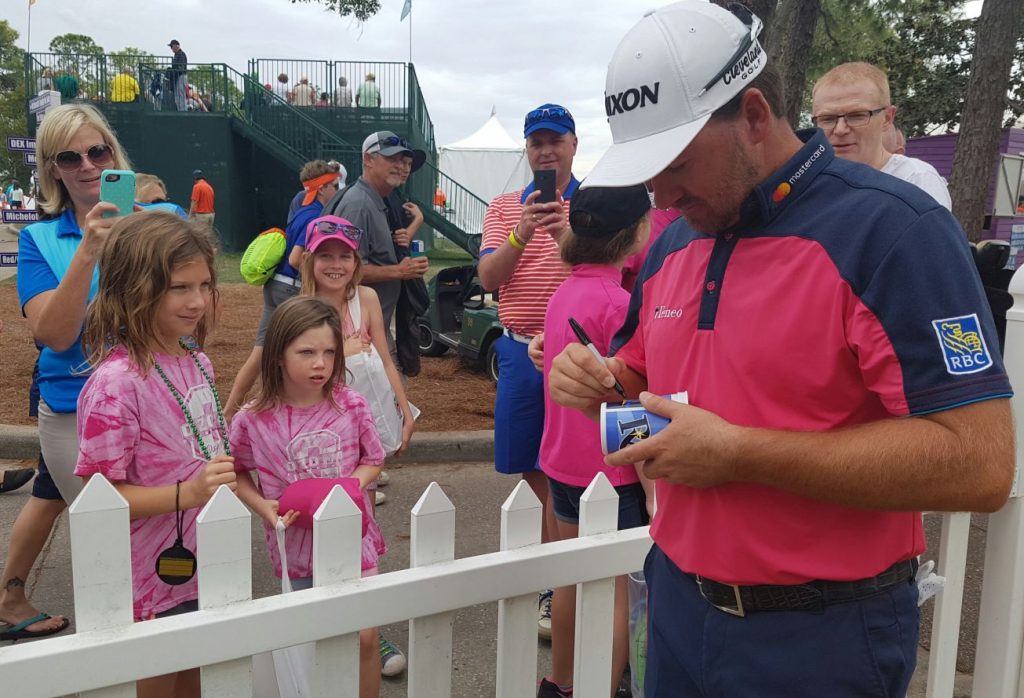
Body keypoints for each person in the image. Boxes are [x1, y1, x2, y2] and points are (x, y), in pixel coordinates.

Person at [549, 3, 1014, 695]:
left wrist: (740, 452)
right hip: (677, 603)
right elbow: (642, 389)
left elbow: (979, 464)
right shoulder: (676, 240)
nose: (660, 192)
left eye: (675, 162)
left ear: (757, 117)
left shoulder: (894, 232)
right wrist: (597, 382)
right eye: (647, 169)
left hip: (820, 636)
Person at [75, 211, 234, 697]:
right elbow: (99, 499)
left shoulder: (196, 361)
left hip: (204, 558)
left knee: (196, 673)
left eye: (204, 285)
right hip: (148, 574)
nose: (197, 301)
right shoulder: (115, 387)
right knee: (156, 677)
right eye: (179, 288)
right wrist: (190, 492)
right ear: (134, 288)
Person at [3, 103, 134, 643]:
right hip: (75, 400)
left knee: (55, 493)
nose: (85, 165)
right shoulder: (38, 240)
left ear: (112, 154)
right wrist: (90, 248)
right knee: (115, 525)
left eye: (97, 151)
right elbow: (53, 334)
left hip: (152, 397)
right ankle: (118, 641)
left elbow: (193, 311)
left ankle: (9, 597)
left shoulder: (159, 219)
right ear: (52, 169)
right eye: (69, 156)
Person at [230, 296, 386, 696]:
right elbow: (238, 471)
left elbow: (374, 457)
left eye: (330, 352)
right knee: (311, 638)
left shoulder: (350, 404)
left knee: (364, 637)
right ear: (279, 355)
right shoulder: (253, 419)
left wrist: (351, 486)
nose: (321, 363)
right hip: (295, 548)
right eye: (307, 352)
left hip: (352, 538)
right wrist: (261, 505)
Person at [538, 183, 653, 698]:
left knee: (569, 576)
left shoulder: (564, 291)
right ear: (637, 234)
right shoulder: (621, 302)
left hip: (563, 462)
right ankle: (601, 688)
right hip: (612, 472)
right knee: (612, 590)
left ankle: (561, 681)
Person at [296, 215, 413, 676]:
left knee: (357, 518)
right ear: (309, 258)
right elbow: (270, 360)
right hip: (312, 435)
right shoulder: (299, 306)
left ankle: (368, 628)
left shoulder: (365, 300)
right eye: (326, 254)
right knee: (314, 525)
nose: (336, 263)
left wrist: (404, 409)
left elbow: (385, 353)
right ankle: (317, 622)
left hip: (359, 436)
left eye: (345, 255)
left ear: (357, 261)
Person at [478, 103, 577, 637]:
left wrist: (565, 229)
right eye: (536, 142)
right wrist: (520, 230)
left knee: (571, 469)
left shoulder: (594, 201)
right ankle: (558, 567)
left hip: (575, 353)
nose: (545, 151)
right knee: (532, 468)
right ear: (527, 149)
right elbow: (490, 279)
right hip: (518, 351)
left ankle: (554, 581)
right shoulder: (502, 206)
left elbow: (603, 271)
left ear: (573, 145)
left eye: (555, 140)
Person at [225, 159, 341, 422]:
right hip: (292, 289)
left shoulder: (301, 204)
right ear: (321, 188)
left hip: (276, 286)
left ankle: (230, 411)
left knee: (262, 353)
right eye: (334, 185)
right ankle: (275, 411)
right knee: (294, 356)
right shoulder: (314, 216)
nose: (338, 190)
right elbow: (296, 258)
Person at [325, 131, 429, 368]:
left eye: (406, 162)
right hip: (355, 336)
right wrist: (399, 272)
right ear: (368, 159)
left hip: (372, 328)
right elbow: (340, 272)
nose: (402, 167)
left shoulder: (379, 200)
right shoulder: (358, 205)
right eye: (392, 159)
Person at [812, 62, 951, 209]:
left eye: (857, 116)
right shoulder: (810, 182)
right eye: (827, 119)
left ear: (887, 118)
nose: (840, 129)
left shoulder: (915, 180)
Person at [287, 160, 345, 224]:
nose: (339, 190)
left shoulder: (304, 214)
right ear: (321, 190)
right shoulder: (317, 221)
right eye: (336, 186)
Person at [167, 40, 188, 112]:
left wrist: (173, 70)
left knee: (181, 95)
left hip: (181, 76)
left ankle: (183, 112)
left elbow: (181, 67)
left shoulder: (181, 54)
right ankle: (180, 111)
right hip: (177, 77)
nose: (171, 49)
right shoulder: (176, 55)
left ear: (176, 46)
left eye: (172, 46)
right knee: (177, 96)